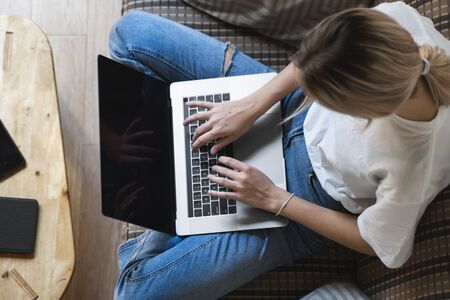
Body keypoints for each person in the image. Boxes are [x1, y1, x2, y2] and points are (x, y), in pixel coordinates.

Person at [108, 1, 450, 299]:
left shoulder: (412, 162)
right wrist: (253, 105)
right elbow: (315, 61)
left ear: (363, 112)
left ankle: (173, 196)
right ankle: (183, 182)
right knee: (128, 33)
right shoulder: (394, 20)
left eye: (326, 99)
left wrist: (273, 199)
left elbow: (377, 244)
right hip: (285, 106)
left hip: (304, 199)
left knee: (136, 293)